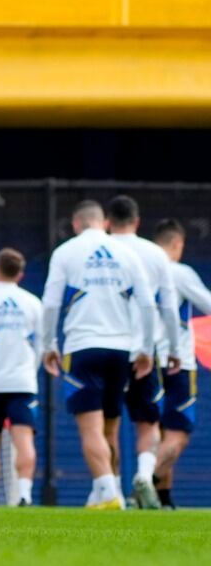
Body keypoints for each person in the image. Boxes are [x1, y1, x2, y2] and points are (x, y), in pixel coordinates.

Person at [40, 200, 156, 510]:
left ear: (76, 224)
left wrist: (48, 343)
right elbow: (147, 303)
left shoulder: (66, 251)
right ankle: (107, 487)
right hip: (122, 350)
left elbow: (51, 303)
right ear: (104, 222)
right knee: (110, 428)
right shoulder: (128, 253)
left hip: (83, 347)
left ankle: (108, 491)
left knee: (90, 428)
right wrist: (145, 348)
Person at [105, 195, 181, 509]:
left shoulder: (100, 251)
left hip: (109, 347)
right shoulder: (154, 254)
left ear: (107, 221)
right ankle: (144, 474)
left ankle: (110, 492)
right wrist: (174, 348)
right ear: (136, 221)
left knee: (107, 425)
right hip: (145, 353)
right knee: (148, 423)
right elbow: (168, 307)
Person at [0, 247, 42, 508]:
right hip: (23, 382)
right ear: (21, 274)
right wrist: (29, 371)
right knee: (23, 437)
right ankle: (24, 494)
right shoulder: (33, 302)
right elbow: (41, 346)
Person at [151, 219, 209, 508]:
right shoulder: (179, 272)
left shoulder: (143, 267)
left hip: (145, 360)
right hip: (178, 363)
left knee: (154, 432)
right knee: (178, 435)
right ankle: (146, 480)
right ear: (178, 244)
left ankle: (162, 498)